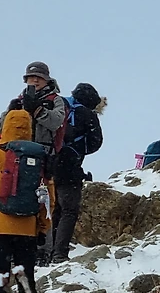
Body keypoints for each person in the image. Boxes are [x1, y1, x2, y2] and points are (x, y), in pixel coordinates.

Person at [0, 111, 53, 293]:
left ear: (5, 127)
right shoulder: (40, 158)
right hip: (28, 228)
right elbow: (49, 197)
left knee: (0, 280)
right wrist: (42, 228)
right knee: (26, 280)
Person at [48, 83, 106, 264]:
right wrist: (79, 149)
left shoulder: (60, 105)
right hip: (70, 168)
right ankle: (59, 253)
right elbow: (96, 142)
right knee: (68, 210)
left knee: (53, 209)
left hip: (49, 163)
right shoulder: (88, 115)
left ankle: (46, 252)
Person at [0, 61, 68, 156]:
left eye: (40, 77)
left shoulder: (55, 99)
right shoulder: (19, 101)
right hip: (19, 151)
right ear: (26, 80)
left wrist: (37, 110)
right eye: (31, 77)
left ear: (47, 80)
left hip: (43, 152)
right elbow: (0, 128)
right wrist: (10, 113)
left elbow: (56, 123)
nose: (35, 80)